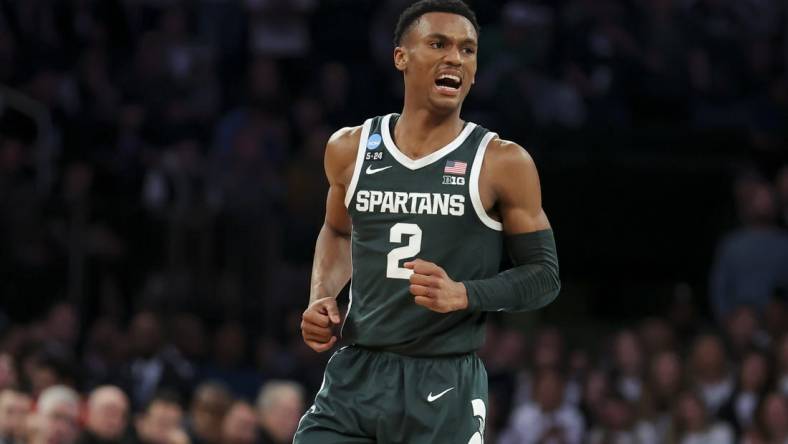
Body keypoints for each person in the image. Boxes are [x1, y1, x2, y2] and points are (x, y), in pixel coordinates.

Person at [296, 0, 560, 442]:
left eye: (467, 50)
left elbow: (545, 277)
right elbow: (339, 230)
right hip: (356, 371)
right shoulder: (350, 147)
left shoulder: (501, 162)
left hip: (444, 380)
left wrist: (465, 294)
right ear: (401, 56)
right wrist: (322, 296)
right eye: (438, 44)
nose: (455, 58)